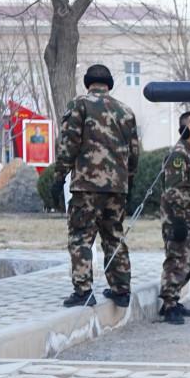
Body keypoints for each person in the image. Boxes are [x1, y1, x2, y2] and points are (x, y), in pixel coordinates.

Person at [51, 64, 141, 307]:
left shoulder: (79, 105)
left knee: (81, 236)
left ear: (87, 82)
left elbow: (68, 145)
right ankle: (121, 290)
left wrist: (59, 177)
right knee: (114, 236)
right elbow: (134, 152)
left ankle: (83, 291)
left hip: (87, 186)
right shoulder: (126, 111)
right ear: (109, 84)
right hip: (117, 187)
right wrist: (129, 182)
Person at [157, 111, 190, 323]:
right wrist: (177, 220)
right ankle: (168, 305)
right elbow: (172, 190)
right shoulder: (178, 155)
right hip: (178, 219)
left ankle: (174, 301)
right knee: (177, 262)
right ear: (184, 130)